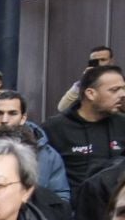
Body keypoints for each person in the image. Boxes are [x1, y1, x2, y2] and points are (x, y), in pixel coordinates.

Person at [44, 63, 125, 199]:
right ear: (90, 93)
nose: (122, 94)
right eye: (114, 90)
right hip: (74, 214)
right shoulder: (54, 128)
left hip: (116, 211)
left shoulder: (122, 124)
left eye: (123, 88)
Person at [55, 44, 114, 113]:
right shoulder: (85, 84)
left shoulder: (121, 82)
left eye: (103, 60)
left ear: (111, 61)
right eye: (95, 61)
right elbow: (62, 108)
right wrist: (83, 81)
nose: (99, 64)